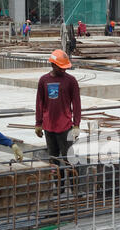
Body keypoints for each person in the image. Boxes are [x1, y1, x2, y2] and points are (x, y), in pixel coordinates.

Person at [35, 49, 81, 192]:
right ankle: (59, 188)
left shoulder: (70, 81)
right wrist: (38, 123)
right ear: (53, 65)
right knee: (53, 159)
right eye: (61, 67)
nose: (63, 70)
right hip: (49, 126)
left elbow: (77, 103)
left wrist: (76, 124)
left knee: (69, 158)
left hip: (65, 126)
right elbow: (39, 102)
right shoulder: (44, 80)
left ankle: (74, 189)